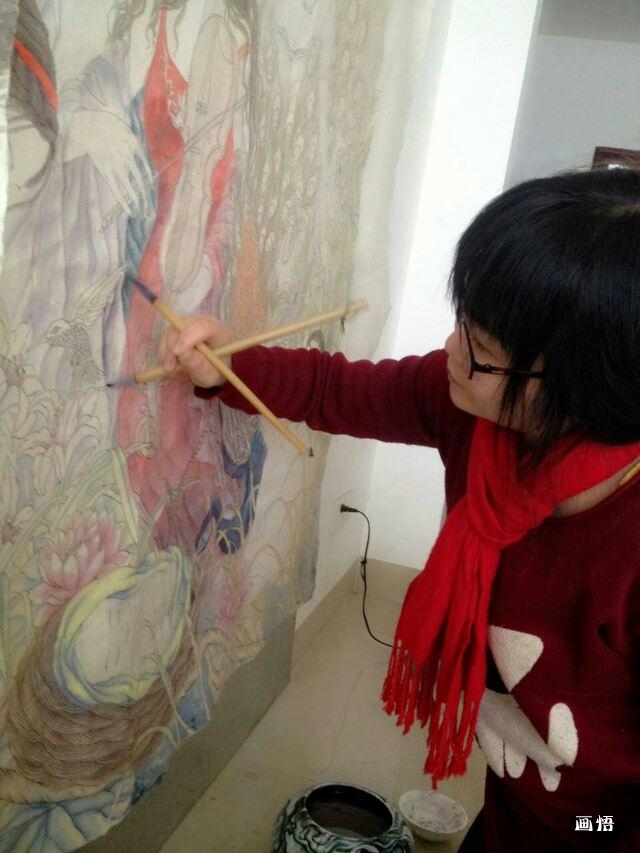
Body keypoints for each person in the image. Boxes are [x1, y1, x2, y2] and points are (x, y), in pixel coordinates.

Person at [158, 167, 640, 851]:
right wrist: (227, 365)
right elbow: (335, 389)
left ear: (579, 387)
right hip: (512, 803)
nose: (450, 350)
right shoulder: (469, 407)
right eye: (464, 323)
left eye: (481, 350)